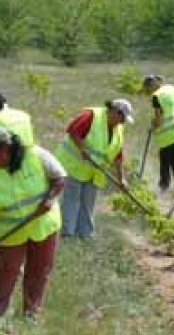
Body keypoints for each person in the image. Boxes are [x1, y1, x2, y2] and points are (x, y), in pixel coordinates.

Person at [0, 126, 66, 319]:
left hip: (43, 224)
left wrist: (48, 201)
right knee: (8, 269)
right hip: (10, 231)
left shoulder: (37, 156)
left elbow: (60, 178)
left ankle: (31, 312)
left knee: (39, 269)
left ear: (4, 148)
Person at [55, 99, 134, 238]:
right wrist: (82, 149)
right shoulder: (92, 115)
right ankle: (68, 234)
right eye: (122, 119)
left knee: (88, 203)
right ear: (115, 112)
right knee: (72, 200)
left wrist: (122, 178)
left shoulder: (119, 128)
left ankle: (85, 235)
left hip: (94, 172)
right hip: (74, 165)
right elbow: (73, 130)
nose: (122, 123)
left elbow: (118, 154)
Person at [142, 74, 174, 194]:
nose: (149, 91)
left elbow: (159, 119)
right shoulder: (173, 89)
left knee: (164, 157)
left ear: (152, 84)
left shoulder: (157, 96)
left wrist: (153, 127)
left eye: (148, 88)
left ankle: (163, 187)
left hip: (170, 132)